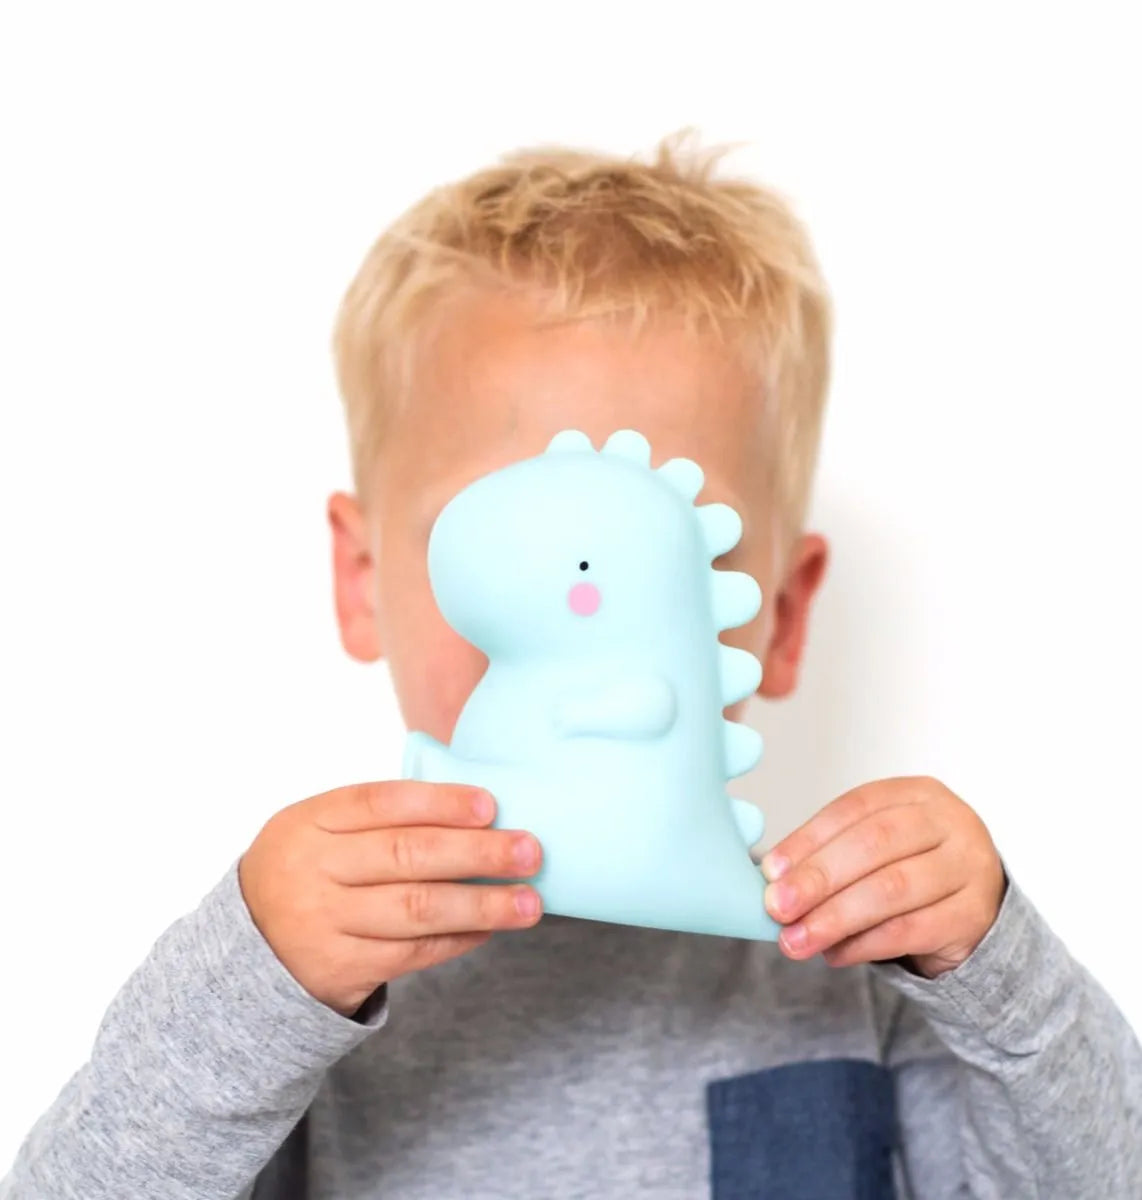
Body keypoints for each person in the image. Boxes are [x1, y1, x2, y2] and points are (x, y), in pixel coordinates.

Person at [3, 132, 1139, 1200]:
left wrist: (991, 966)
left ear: (783, 614)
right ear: (362, 578)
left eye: (667, 545)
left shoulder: (857, 974)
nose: (580, 611)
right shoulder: (305, 1003)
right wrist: (256, 988)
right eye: (505, 533)